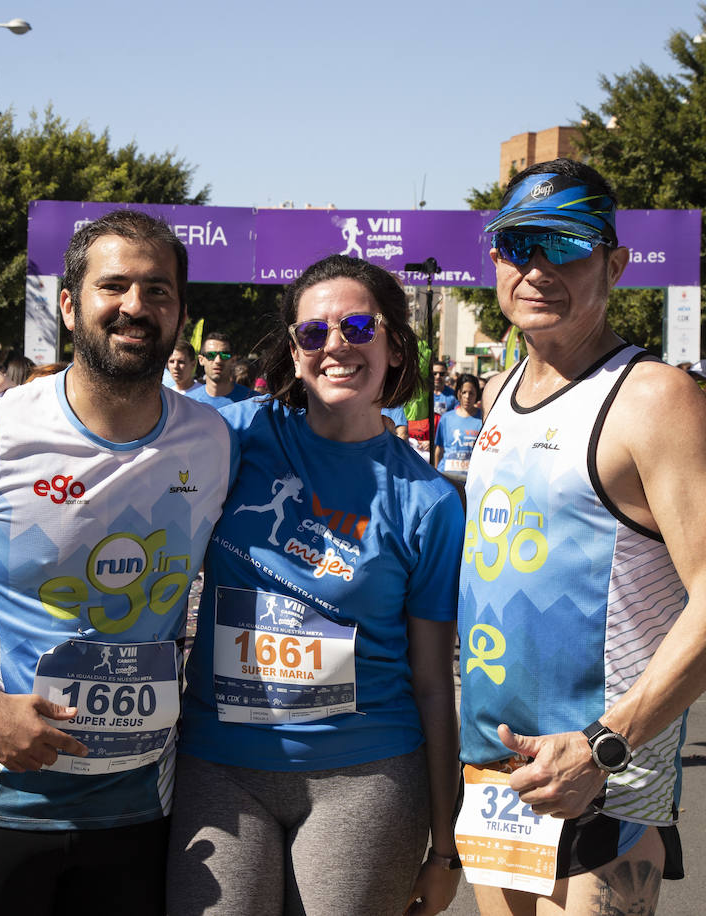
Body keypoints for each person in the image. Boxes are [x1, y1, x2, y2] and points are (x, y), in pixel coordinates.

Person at [0, 209, 234, 915]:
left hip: (137, 802)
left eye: (158, 291)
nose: (136, 306)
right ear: (69, 306)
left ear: (181, 313)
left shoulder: (214, 440)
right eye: (114, 286)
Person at [457, 159, 706, 915]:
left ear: (614, 263)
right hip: (497, 771)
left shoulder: (656, 398)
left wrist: (603, 744)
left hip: (603, 780)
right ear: (494, 256)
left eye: (566, 244)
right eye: (519, 242)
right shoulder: (495, 393)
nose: (537, 266)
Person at [169, 255, 464, 916]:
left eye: (359, 326)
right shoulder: (237, 437)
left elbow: (431, 682)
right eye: (312, 333)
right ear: (294, 352)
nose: (336, 345)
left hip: (366, 776)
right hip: (220, 765)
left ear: (393, 344)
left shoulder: (429, 502)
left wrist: (446, 848)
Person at [185, 331, 255, 408]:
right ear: (201, 360)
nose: (218, 360)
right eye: (211, 355)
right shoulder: (188, 402)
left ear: (233, 360)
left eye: (224, 355)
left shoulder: (253, 401)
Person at [433, 372, 483, 474]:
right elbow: (439, 449)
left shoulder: (483, 419)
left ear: (477, 394)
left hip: (470, 480)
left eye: (471, 393)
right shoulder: (446, 418)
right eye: (464, 392)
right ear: (458, 393)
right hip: (447, 477)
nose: (467, 397)